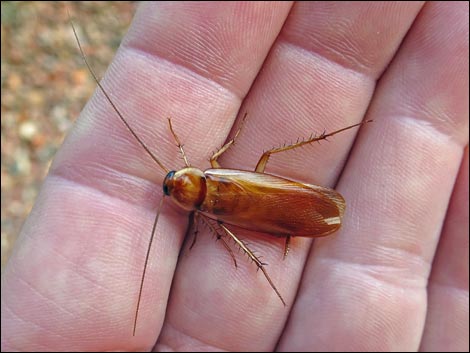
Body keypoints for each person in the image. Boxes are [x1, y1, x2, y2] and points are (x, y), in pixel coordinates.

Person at [2, 2, 468, 351]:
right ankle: (275, 253)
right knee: (265, 157)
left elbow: (221, 196)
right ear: (189, 170)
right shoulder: (207, 181)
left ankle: (274, 256)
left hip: (266, 209)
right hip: (267, 205)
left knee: (253, 185)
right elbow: (222, 156)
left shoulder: (205, 211)